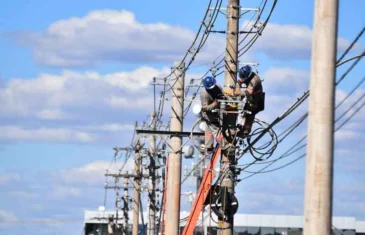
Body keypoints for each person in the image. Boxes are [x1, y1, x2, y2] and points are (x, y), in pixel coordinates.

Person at [234, 65, 265, 136]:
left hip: (256, 100)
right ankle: (239, 126)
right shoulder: (249, 76)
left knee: (250, 114)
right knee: (241, 111)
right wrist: (239, 84)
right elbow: (241, 81)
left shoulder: (254, 80)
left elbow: (248, 92)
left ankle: (245, 131)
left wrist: (237, 92)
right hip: (251, 98)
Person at [200, 76, 225, 154]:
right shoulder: (204, 93)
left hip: (219, 112)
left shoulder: (218, 87)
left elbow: (223, 96)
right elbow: (204, 108)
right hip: (209, 115)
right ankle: (224, 145)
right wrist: (214, 104)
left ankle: (209, 147)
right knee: (215, 130)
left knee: (208, 130)